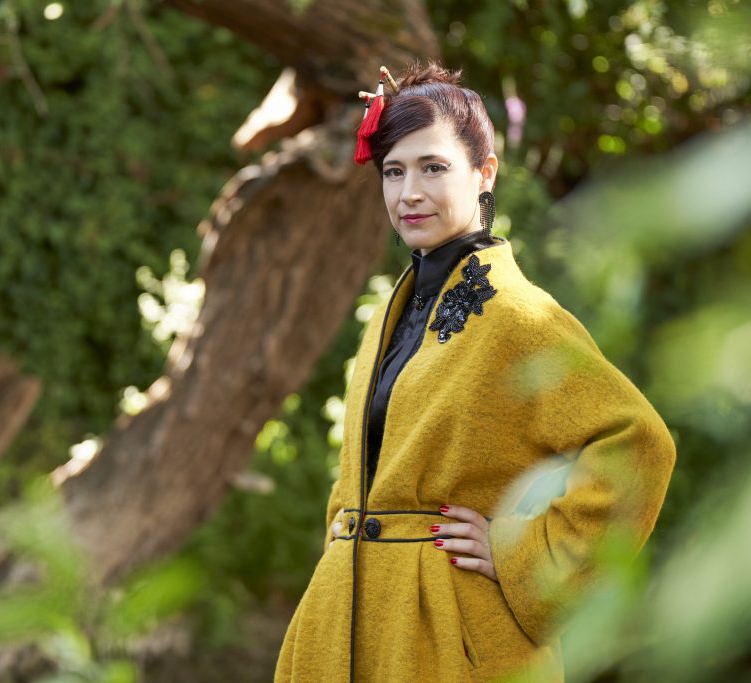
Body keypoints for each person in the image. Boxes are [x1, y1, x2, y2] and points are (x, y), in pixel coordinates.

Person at [274, 60, 676, 683]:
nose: (409, 192)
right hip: (343, 630)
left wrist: (529, 557)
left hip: (448, 634)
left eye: (433, 167)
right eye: (393, 171)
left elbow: (639, 444)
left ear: (484, 172)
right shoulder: (388, 314)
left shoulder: (519, 315)